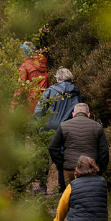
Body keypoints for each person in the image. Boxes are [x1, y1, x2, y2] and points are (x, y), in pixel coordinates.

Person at [35, 67, 82, 195]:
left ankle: (42, 186)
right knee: (64, 156)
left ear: (57, 79)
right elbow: (79, 111)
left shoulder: (50, 91)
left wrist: (37, 124)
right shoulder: (76, 92)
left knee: (43, 156)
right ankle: (63, 189)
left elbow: (39, 111)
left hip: (49, 128)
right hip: (68, 128)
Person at [49, 103, 109, 189]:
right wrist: (100, 170)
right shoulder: (97, 127)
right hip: (90, 170)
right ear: (88, 114)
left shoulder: (64, 126)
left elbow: (52, 147)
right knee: (89, 195)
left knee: (71, 195)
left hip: (70, 169)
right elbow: (104, 151)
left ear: (73, 114)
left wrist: (61, 164)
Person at [53, 155, 109, 221]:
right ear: (93, 167)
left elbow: (62, 207)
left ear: (77, 169)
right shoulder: (102, 182)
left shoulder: (72, 185)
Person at [16, 42, 49, 110]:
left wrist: (13, 105)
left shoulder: (25, 66)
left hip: (30, 104)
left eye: (22, 53)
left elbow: (20, 87)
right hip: (45, 101)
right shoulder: (42, 64)